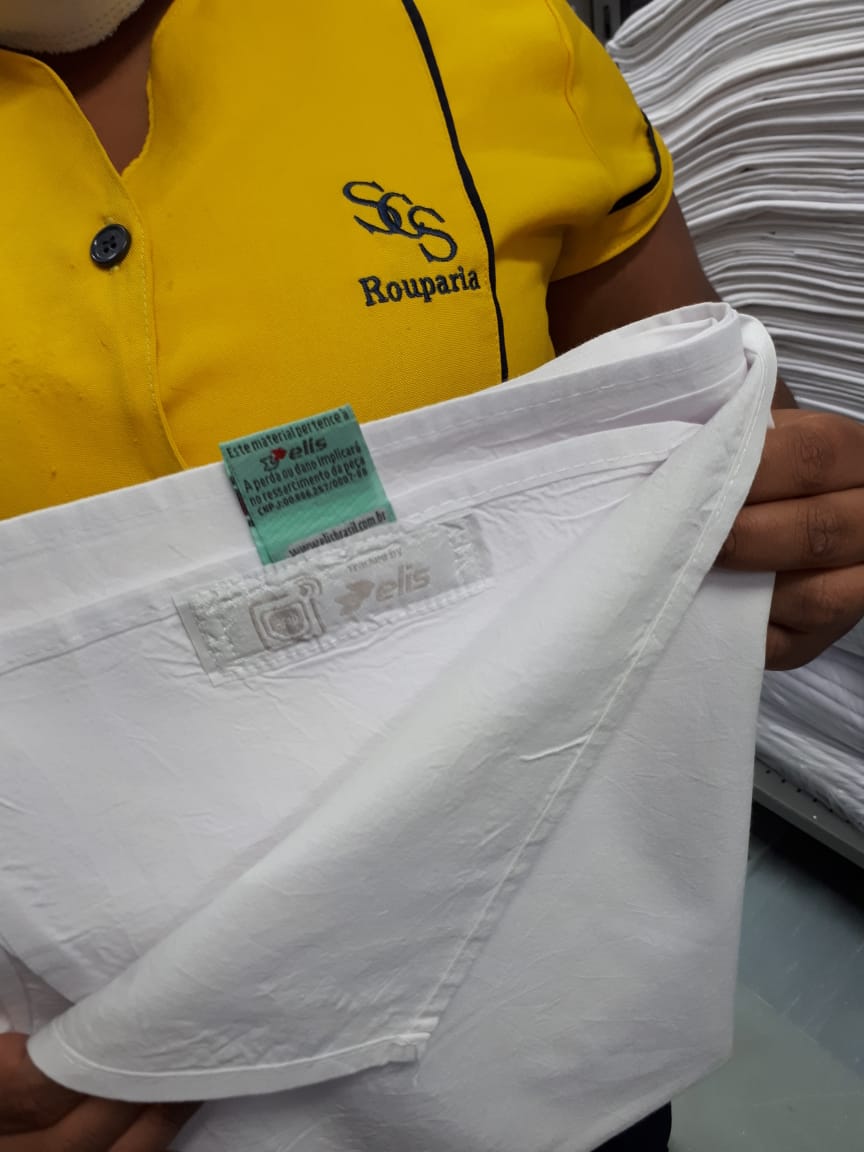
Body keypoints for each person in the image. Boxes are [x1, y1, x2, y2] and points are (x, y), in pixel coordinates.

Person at [0, 2, 862, 1149]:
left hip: (532, 995)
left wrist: (773, 533)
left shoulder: (486, 35)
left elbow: (703, 427)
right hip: (78, 1062)